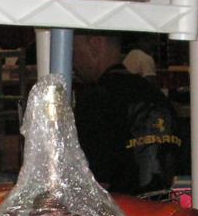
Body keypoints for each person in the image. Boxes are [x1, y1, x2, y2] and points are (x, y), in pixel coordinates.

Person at [71, 30, 183, 195]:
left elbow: (97, 186)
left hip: (120, 209)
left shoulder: (96, 101)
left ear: (95, 44)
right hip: (162, 208)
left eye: (73, 51)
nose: (72, 61)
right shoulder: (157, 96)